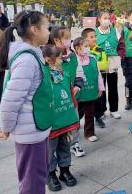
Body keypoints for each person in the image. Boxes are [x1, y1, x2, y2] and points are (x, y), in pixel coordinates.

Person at [0, 10, 53, 194]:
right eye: (47, 27)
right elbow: (10, 99)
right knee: (32, 182)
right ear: (34, 29)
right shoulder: (27, 59)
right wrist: (5, 127)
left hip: (36, 128)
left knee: (37, 176)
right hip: (30, 132)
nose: (49, 31)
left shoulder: (34, 53)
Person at [41, 45, 79, 192]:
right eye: (59, 57)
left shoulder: (62, 72)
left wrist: (73, 115)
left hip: (66, 119)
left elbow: (69, 93)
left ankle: (65, 170)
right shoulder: (42, 76)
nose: (62, 59)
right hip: (52, 122)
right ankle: (50, 174)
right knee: (50, 150)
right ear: (49, 60)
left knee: (65, 146)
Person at [49, 26, 86, 158]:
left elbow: (79, 71)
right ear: (57, 41)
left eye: (70, 38)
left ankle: (74, 143)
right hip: (58, 99)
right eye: (66, 38)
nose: (69, 40)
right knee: (61, 123)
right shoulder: (50, 57)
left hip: (72, 96)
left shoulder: (72, 55)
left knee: (74, 119)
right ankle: (57, 147)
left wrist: (78, 84)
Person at [94, 12, 125, 126]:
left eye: (108, 18)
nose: (107, 20)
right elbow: (89, 46)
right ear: (99, 19)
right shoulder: (95, 32)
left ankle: (114, 110)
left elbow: (121, 44)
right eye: (104, 18)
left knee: (113, 87)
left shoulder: (114, 31)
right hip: (99, 64)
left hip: (112, 63)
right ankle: (101, 111)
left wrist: (120, 55)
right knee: (101, 89)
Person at [73, 37, 104, 142]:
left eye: (88, 46)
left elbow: (98, 74)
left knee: (89, 113)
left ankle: (89, 132)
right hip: (77, 93)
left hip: (91, 92)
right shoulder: (73, 60)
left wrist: (100, 87)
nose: (87, 49)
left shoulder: (92, 58)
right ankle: (74, 130)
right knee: (76, 114)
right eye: (85, 46)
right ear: (77, 48)